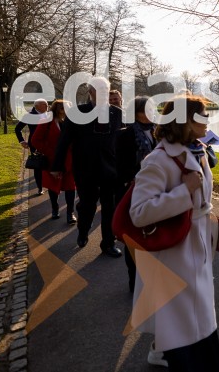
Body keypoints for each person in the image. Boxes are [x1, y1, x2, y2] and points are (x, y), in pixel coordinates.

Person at [130, 95, 219, 371]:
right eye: (201, 116)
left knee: (198, 322)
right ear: (184, 120)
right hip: (175, 255)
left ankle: (163, 351)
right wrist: (185, 192)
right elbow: (139, 212)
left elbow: (201, 199)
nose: (207, 121)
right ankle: (169, 353)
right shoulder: (158, 160)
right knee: (186, 327)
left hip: (198, 248)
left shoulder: (198, 150)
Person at [52, 77, 124, 257]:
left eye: (105, 92)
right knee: (87, 205)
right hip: (85, 168)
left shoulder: (117, 113)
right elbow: (64, 141)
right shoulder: (78, 113)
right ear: (90, 92)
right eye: (98, 91)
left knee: (110, 206)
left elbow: (123, 142)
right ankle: (83, 230)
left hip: (111, 168)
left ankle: (108, 243)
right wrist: (57, 166)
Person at [116, 97, 156, 293]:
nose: (149, 112)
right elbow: (121, 167)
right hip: (133, 190)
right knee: (133, 236)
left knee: (154, 235)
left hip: (157, 191)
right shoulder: (126, 135)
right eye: (144, 109)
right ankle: (134, 279)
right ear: (136, 113)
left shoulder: (162, 132)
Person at [32, 100, 77, 224]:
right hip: (52, 160)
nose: (65, 111)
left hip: (69, 160)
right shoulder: (47, 121)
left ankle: (70, 213)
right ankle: (55, 208)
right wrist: (51, 151)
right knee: (53, 186)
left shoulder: (73, 122)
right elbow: (35, 139)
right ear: (56, 109)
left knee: (70, 187)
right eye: (62, 108)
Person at [16, 98, 48, 195]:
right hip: (35, 144)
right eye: (44, 104)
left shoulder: (50, 114)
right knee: (38, 166)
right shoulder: (29, 116)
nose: (47, 106)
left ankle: (49, 185)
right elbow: (17, 129)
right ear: (37, 106)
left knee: (49, 164)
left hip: (49, 144)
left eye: (47, 104)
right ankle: (40, 187)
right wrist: (22, 141)